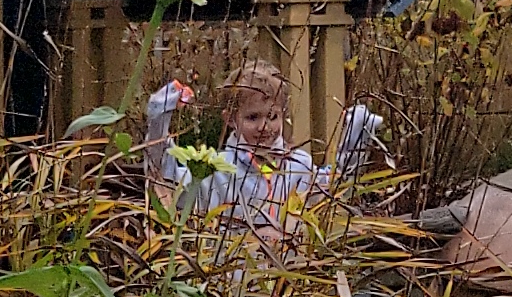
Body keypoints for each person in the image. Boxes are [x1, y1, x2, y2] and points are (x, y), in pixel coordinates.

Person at [146, 60, 383, 236]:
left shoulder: (297, 164)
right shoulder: (216, 168)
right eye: (252, 117)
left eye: (272, 116)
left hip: (289, 282)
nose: (264, 127)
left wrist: (357, 139)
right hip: (231, 285)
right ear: (230, 119)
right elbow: (168, 183)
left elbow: (334, 189)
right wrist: (159, 122)